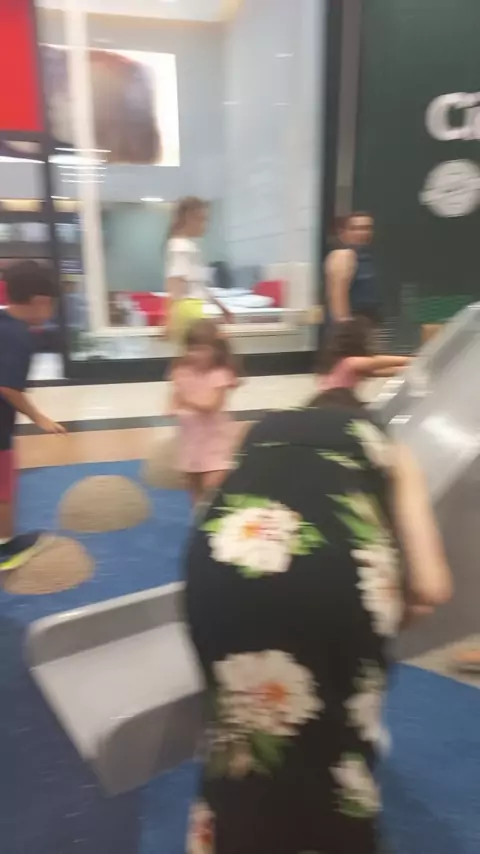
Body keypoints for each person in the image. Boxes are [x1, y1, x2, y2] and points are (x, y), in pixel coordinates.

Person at [184, 370, 451, 853]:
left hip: (219, 562)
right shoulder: (387, 447)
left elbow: (210, 500)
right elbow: (432, 587)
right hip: (336, 579)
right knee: (337, 742)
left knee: (238, 729)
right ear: (362, 416)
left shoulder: (259, 432)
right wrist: (384, 625)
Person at [0, 262, 66, 570]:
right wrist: (40, 418)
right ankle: (5, 547)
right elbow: (7, 387)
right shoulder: (19, 336)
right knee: (4, 487)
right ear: (40, 301)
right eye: (51, 304)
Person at [169, 320, 240, 505]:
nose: (195, 354)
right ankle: (198, 518)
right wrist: (173, 404)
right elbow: (176, 393)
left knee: (212, 489)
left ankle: (214, 515)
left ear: (215, 350)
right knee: (194, 490)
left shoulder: (219, 374)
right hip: (191, 440)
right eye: (191, 349)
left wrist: (185, 401)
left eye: (202, 349)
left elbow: (212, 405)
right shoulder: (183, 371)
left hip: (214, 441)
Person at [164, 198, 232, 344]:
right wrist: (169, 320)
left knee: (204, 352)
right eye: (203, 220)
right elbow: (175, 282)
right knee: (209, 350)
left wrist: (221, 307)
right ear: (190, 219)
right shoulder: (180, 246)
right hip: (190, 310)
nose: (205, 226)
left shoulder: (189, 246)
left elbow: (200, 286)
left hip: (194, 307)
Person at [320, 318, 410, 393]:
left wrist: (413, 367)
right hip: (333, 404)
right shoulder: (350, 363)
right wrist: (415, 361)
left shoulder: (344, 366)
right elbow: (378, 361)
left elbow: (394, 370)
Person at [325, 212, 381, 328]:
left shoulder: (364, 257)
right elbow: (338, 299)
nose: (363, 233)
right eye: (356, 228)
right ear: (343, 233)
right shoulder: (343, 256)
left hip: (368, 326)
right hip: (353, 329)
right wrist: (345, 330)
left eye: (367, 228)